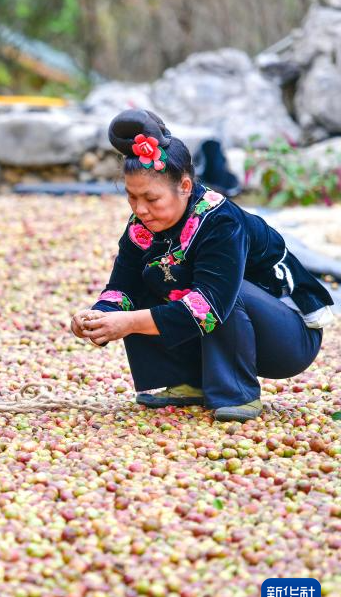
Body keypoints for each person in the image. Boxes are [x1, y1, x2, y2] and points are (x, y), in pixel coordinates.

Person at [71, 109, 334, 421]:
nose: (140, 209)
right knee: (154, 274)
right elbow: (122, 288)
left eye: (151, 199)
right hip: (232, 325)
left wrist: (127, 323)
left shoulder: (220, 220)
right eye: (131, 198)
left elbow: (210, 305)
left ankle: (237, 394)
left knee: (219, 293)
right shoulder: (141, 227)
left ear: (184, 186)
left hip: (288, 337)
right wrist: (99, 317)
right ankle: (187, 380)